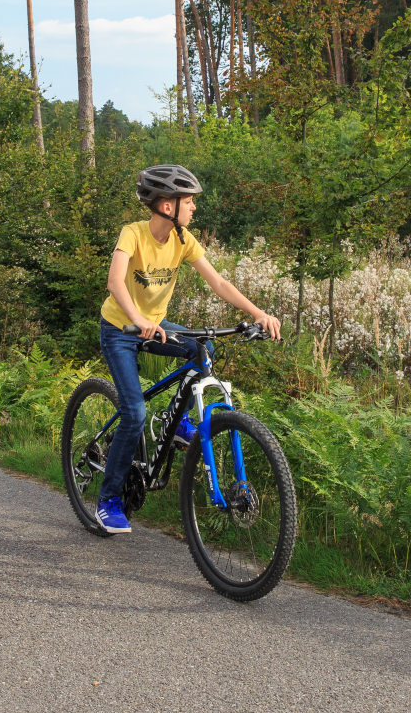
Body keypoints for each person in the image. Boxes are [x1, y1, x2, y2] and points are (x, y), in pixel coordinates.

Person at [93, 164, 281, 536]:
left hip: (155, 326)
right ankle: (109, 501)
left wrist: (257, 313)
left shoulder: (183, 240)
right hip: (120, 328)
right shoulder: (132, 234)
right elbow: (115, 282)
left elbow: (219, 282)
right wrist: (138, 318)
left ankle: (174, 421)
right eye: (189, 201)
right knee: (132, 411)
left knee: (202, 348)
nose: (194, 208)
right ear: (166, 205)